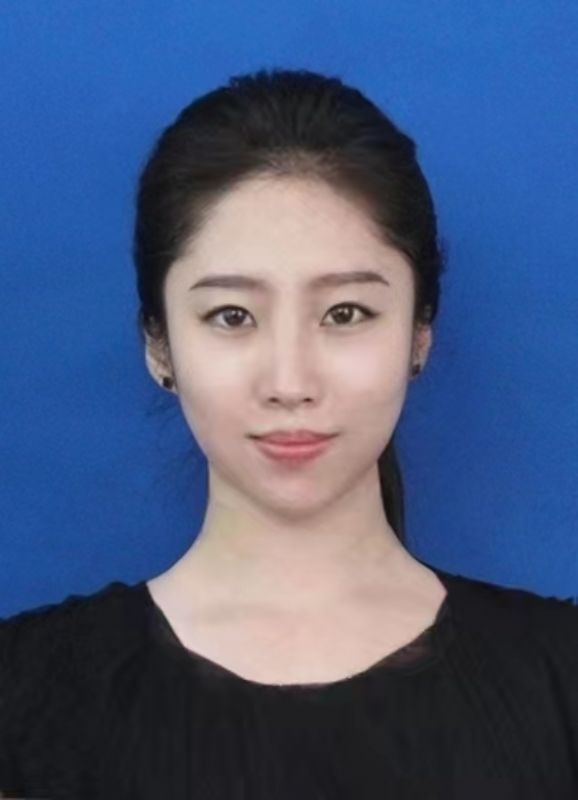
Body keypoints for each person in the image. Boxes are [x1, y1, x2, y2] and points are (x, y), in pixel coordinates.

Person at [1, 67, 577, 800]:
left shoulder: (560, 679)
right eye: (232, 316)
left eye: (345, 313)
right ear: (159, 344)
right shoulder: (25, 696)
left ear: (419, 333)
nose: (290, 381)